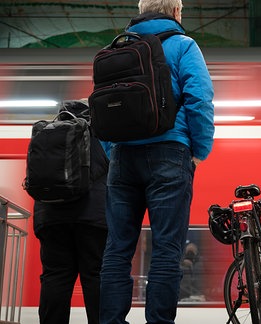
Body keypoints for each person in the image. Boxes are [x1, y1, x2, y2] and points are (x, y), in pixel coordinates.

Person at [98, 0, 215, 323]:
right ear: (176, 13)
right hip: (169, 153)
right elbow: (199, 99)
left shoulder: (116, 49)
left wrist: (114, 152)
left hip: (122, 158)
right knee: (166, 250)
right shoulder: (183, 45)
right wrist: (199, 150)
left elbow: (102, 110)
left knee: (118, 250)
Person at [33, 100, 108, 324]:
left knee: (55, 276)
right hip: (92, 217)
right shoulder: (99, 135)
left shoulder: (47, 134)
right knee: (95, 276)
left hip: (50, 216)